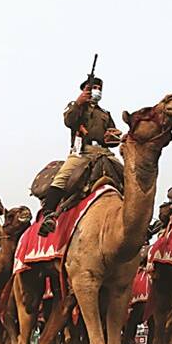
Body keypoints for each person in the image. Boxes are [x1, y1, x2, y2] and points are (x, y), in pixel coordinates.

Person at [39, 75, 122, 236]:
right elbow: (69, 121)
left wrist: (113, 136)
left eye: (99, 89)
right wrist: (79, 102)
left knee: (126, 174)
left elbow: (113, 136)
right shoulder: (76, 106)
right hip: (83, 152)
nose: (97, 91)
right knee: (63, 177)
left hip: (104, 152)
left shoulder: (105, 113)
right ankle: (49, 214)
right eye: (93, 88)